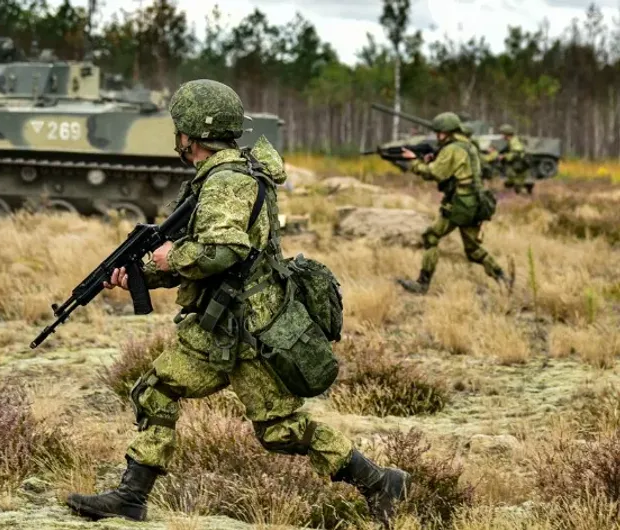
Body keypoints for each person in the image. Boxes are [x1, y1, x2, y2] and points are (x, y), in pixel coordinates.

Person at [66, 79, 409, 526]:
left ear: (190, 134)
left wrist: (171, 257)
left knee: (278, 429)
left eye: (179, 129)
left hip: (244, 328)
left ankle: (381, 481)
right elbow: (208, 253)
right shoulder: (228, 174)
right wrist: (139, 274)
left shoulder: (227, 182)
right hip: (225, 321)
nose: (178, 137)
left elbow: (222, 252)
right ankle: (132, 495)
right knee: (160, 390)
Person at [397, 112, 512, 294]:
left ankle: (422, 284)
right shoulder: (467, 145)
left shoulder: (451, 149)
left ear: (448, 132)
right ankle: (502, 277)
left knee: (431, 237)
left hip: (460, 204)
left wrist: (413, 162)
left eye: (440, 133)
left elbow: (435, 173)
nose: (437, 136)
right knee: (473, 249)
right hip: (475, 201)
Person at [487, 124, 533, 194]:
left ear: (506, 134)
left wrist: (504, 156)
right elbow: (506, 150)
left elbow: (516, 153)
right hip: (518, 163)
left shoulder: (514, 141)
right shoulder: (511, 140)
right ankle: (523, 185)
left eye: (503, 134)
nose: (502, 136)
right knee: (511, 180)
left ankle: (524, 188)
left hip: (519, 163)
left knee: (514, 178)